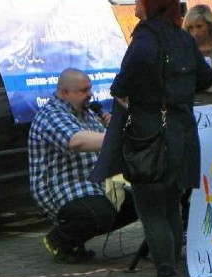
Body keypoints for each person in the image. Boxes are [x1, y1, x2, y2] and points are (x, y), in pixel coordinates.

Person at [102, 0, 212, 277]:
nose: (135, 2)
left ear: (151, 2)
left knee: (151, 210)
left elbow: (122, 82)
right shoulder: (183, 37)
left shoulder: (145, 37)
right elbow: (206, 79)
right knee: (169, 208)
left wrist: (132, 94)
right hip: (182, 133)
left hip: (150, 136)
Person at [28, 68, 137, 263]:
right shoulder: (51, 115)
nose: (90, 94)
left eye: (90, 89)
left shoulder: (88, 113)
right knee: (98, 213)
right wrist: (118, 137)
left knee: (141, 200)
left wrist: (115, 126)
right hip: (62, 186)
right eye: (84, 90)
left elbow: (104, 144)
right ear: (64, 93)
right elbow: (77, 141)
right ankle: (59, 240)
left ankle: (76, 240)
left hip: (94, 182)